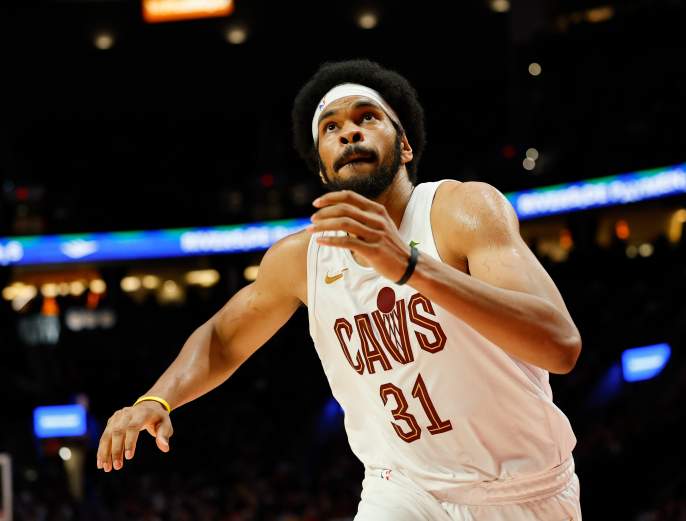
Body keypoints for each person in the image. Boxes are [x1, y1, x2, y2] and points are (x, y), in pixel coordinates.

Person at [97, 59, 583, 520]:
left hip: (524, 489)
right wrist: (155, 400)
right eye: (330, 127)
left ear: (405, 146)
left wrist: (411, 268)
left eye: (367, 117)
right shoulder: (300, 259)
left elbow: (560, 346)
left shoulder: (462, 211)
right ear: (324, 168)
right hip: (403, 487)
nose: (349, 130)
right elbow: (222, 339)